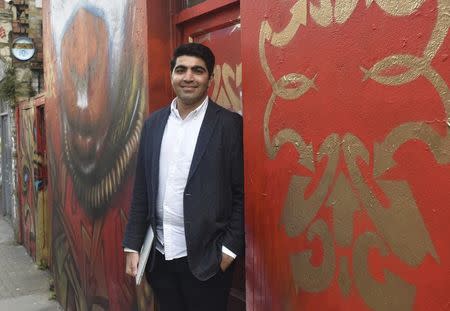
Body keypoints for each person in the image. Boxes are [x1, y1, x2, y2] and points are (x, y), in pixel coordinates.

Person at [122, 43, 244, 311]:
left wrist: (228, 251)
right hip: (160, 256)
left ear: (210, 78)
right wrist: (132, 244)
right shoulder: (154, 124)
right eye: (181, 70)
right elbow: (142, 188)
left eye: (198, 71)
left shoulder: (229, 126)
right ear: (172, 75)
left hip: (208, 259)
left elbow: (242, 193)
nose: (188, 77)